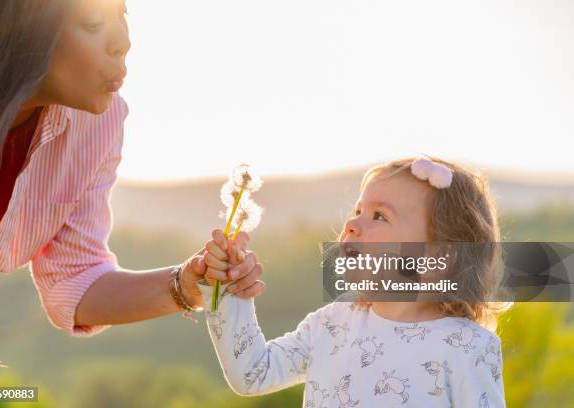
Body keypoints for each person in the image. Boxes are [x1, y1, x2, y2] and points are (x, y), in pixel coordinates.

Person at [0, 0, 264, 372]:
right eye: (92, 23)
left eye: (123, 15)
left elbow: (75, 278)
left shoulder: (97, 124)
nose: (123, 41)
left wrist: (186, 285)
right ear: (22, 29)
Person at [201, 157, 511, 407]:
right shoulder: (333, 324)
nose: (351, 224)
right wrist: (227, 287)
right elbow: (254, 373)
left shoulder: (466, 347)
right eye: (358, 210)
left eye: (379, 216)